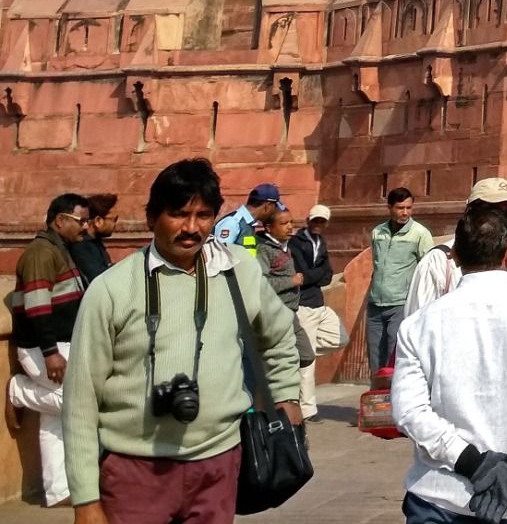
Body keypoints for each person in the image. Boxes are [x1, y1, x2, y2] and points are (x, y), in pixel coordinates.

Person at [63, 158, 301, 524]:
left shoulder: (236, 270)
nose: (191, 228)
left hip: (219, 465)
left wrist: (286, 396)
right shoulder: (111, 290)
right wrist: (85, 499)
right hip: (135, 472)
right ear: (151, 218)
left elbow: (279, 334)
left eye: (203, 215)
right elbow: (80, 399)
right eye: (178, 214)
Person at [391, 208, 507, 524]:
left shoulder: (419, 325)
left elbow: (409, 412)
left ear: (454, 256)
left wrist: (470, 462)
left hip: (441, 493)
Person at [6, 193, 88, 506]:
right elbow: (38, 305)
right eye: (80, 221)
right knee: (75, 402)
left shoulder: (59, 249)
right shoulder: (41, 252)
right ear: (60, 220)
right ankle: (19, 391)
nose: (84, 228)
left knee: (53, 421)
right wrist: (51, 351)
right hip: (43, 347)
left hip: (58, 343)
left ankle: (58, 491)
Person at [408, 179, 507, 317]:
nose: (501, 219)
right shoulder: (438, 261)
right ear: (469, 210)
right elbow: (417, 324)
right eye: (494, 211)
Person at [369, 186, 436, 372]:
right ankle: (376, 398)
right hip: (375, 303)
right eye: (400, 208)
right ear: (389, 208)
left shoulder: (420, 234)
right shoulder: (377, 232)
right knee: (375, 359)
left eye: (409, 207)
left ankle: (394, 399)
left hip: (401, 303)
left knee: (394, 357)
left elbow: (428, 269)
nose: (405, 212)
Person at [290, 204, 340, 417]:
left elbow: (327, 276)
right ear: (309, 220)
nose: (318, 225)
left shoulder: (321, 242)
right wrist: (318, 273)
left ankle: (296, 354)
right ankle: (308, 409)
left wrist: (315, 274)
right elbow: (305, 275)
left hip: (319, 303)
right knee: (308, 366)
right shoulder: (296, 243)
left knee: (339, 338)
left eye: (322, 221)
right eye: (316, 221)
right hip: (304, 305)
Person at [257, 205, 315, 375]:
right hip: (276, 314)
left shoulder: (285, 246)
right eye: (284, 223)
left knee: (306, 355)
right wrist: (291, 281)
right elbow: (262, 283)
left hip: (291, 313)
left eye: (291, 222)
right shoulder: (264, 249)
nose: (290, 226)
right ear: (269, 228)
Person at [212, 182, 282, 256]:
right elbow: (221, 256)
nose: (274, 213)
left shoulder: (248, 224)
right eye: (275, 208)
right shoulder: (233, 222)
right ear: (267, 206)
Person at [70, 194, 118, 285]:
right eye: (114, 219)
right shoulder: (81, 246)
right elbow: (99, 278)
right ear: (98, 221)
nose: (115, 224)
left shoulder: (94, 242)